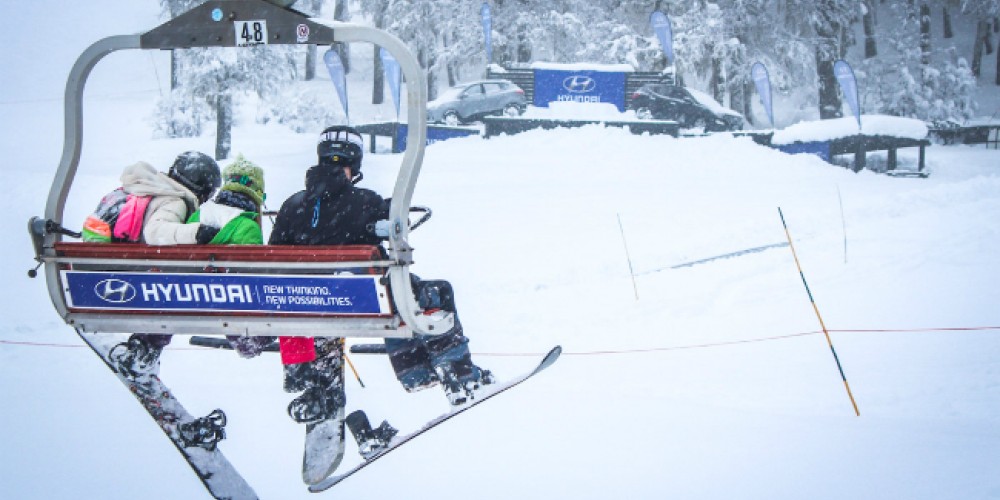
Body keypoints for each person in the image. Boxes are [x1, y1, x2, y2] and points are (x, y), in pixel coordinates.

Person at [269, 126, 494, 455]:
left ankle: (320, 388)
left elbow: (275, 259)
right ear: (354, 165)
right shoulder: (364, 201)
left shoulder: (293, 205)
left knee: (391, 295)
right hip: (360, 302)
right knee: (422, 293)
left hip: (307, 308)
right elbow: (384, 241)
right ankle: (452, 374)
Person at [107, 152, 222, 380]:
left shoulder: (148, 189)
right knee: (176, 294)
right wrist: (196, 233)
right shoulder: (175, 201)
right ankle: (144, 350)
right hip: (132, 277)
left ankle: (146, 349)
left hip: (109, 271)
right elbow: (155, 232)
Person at [186, 154, 276, 359]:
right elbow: (252, 276)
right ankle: (249, 341)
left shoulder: (199, 214)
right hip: (231, 300)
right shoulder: (247, 225)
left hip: (189, 293)